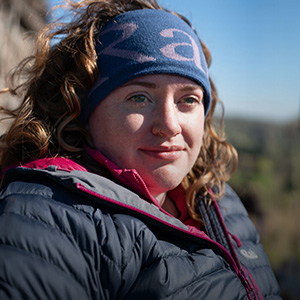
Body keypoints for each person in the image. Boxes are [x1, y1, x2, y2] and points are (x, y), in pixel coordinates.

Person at [0, 0, 281, 299]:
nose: (169, 125)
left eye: (188, 100)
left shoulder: (218, 200)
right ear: (81, 111)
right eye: (139, 97)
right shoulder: (50, 215)